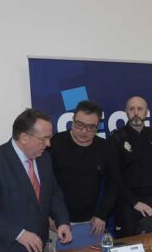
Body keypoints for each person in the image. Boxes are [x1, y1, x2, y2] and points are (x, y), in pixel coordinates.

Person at [0, 109, 72, 252]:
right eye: (44, 139)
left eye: (49, 138)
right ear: (24, 137)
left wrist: (62, 221)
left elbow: (53, 194)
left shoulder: (44, 159)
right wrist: (19, 234)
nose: (48, 144)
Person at [110, 96, 152, 237]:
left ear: (146, 112)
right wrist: (134, 202)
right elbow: (113, 176)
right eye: (132, 109)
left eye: (140, 109)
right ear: (126, 112)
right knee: (131, 248)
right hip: (128, 203)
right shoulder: (117, 138)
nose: (136, 112)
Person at [49, 100, 118, 235]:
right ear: (73, 121)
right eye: (79, 125)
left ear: (98, 127)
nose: (84, 131)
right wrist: (48, 215)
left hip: (92, 221)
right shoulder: (54, 144)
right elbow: (44, 185)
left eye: (91, 127)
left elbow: (113, 184)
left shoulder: (105, 147)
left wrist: (102, 214)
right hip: (57, 221)